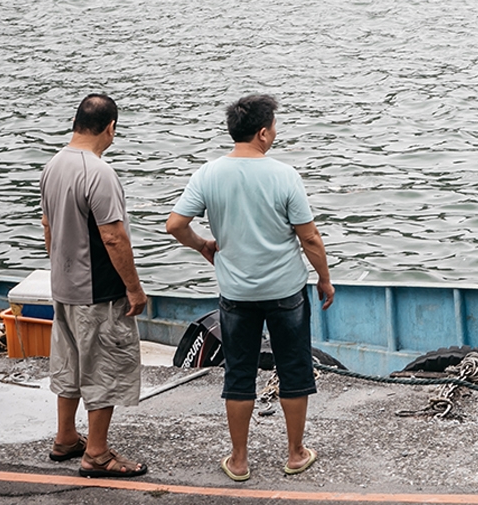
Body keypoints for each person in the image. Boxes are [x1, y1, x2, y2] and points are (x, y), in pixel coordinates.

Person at [166, 94, 334, 482]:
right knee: (294, 369)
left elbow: (174, 225)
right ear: (262, 132)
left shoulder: (208, 174)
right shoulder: (284, 175)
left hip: (237, 295)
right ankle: (295, 453)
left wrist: (203, 245)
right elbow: (309, 239)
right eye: (273, 127)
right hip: (286, 293)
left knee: (238, 374)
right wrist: (324, 279)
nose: (275, 133)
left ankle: (239, 460)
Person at [38, 93, 149, 478]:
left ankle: (66, 437)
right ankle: (97, 454)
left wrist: (60, 268)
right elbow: (114, 237)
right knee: (105, 367)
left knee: (69, 364)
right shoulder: (99, 172)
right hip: (98, 291)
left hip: (63, 286)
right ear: (110, 127)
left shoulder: (53, 166)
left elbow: (48, 227)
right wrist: (134, 289)